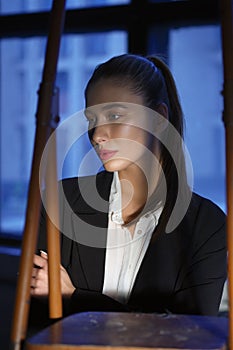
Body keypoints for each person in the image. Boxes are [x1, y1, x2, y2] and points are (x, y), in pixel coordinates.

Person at [29, 54, 227, 331]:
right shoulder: (59, 202)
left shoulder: (207, 224)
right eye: (91, 119)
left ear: (159, 118)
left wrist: (73, 297)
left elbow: (189, 334)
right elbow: (37, 323)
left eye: (114, 116)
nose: (97, 134)